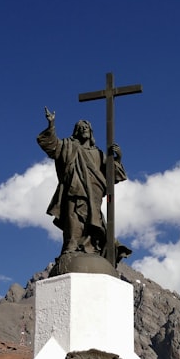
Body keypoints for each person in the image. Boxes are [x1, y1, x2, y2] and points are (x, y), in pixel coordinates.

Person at [37, 107, 125, 257]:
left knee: (92, 218)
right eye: (81, 127)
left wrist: (118, 158)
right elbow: (52, 146)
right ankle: (71, 246)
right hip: (74, 188)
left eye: (87, 127)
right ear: (76, 131)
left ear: (91, 132)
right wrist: (51, 125)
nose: (84, 129)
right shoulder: (69, 146)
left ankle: (90, 247)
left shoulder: (98, 153)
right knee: (73, 216)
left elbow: (112, 175)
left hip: (95, 192)